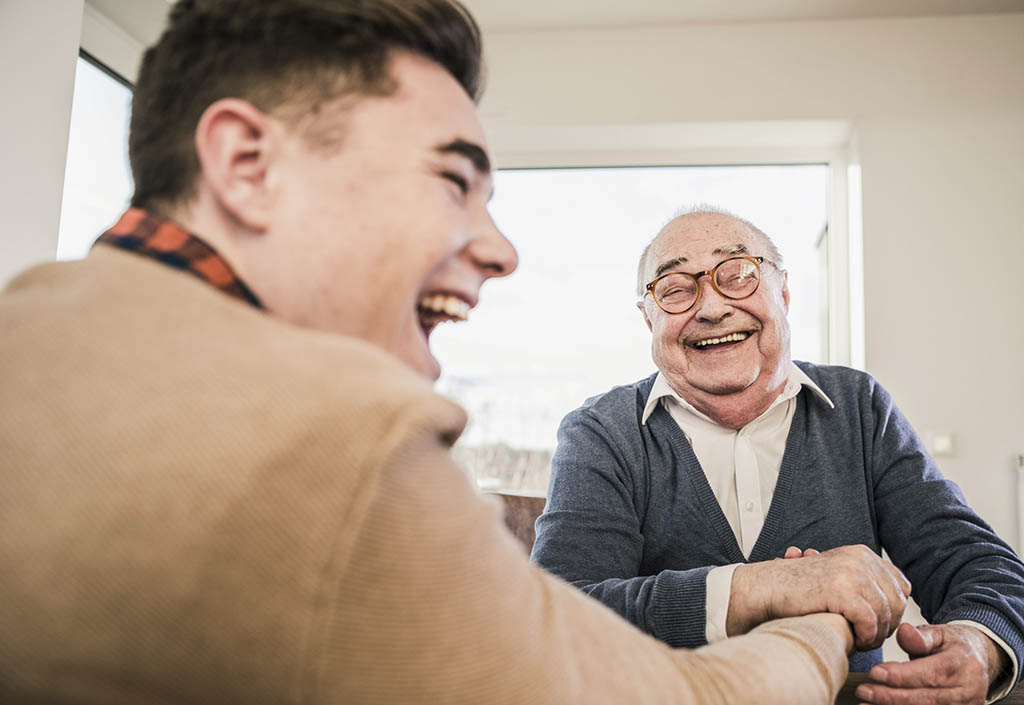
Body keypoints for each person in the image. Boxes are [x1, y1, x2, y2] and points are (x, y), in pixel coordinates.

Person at [0, 2, 857, 703]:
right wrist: (822, 619)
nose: (500, 249)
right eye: (453, 180)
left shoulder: (29, 330)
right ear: (246, 162)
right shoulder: (340, 449)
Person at [531, 206, 1024, 705]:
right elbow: (556, 615)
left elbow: (975, 562)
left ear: (783, 291)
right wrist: (762, 587)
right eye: (676, 289)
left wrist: (981, 645)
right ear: (648, 315)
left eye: (739, 275)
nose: (712, 308)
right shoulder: (600, 430)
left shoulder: (859, 406)